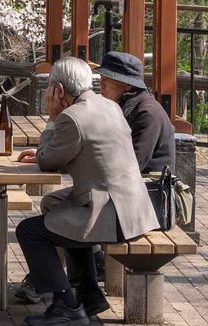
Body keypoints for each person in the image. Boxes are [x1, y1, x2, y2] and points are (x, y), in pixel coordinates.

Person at [15, 57, 159, 326]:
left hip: (112, 214)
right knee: (54, 203)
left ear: (59, 90)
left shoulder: (71, 117)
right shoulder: (109, 105)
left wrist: (52, 118)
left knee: (29, 231)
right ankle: (89, 293)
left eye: (50, 89)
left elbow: (47, 161)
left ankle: (66, 306)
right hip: (135, 208)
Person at [96, 51, 176, 174]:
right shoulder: (124, 106)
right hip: (128, 180)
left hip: (147, 183)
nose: (101, 83)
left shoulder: (147, 114)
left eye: (106, 79)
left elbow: (133, 165)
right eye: (101, 78)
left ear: (127, 85)